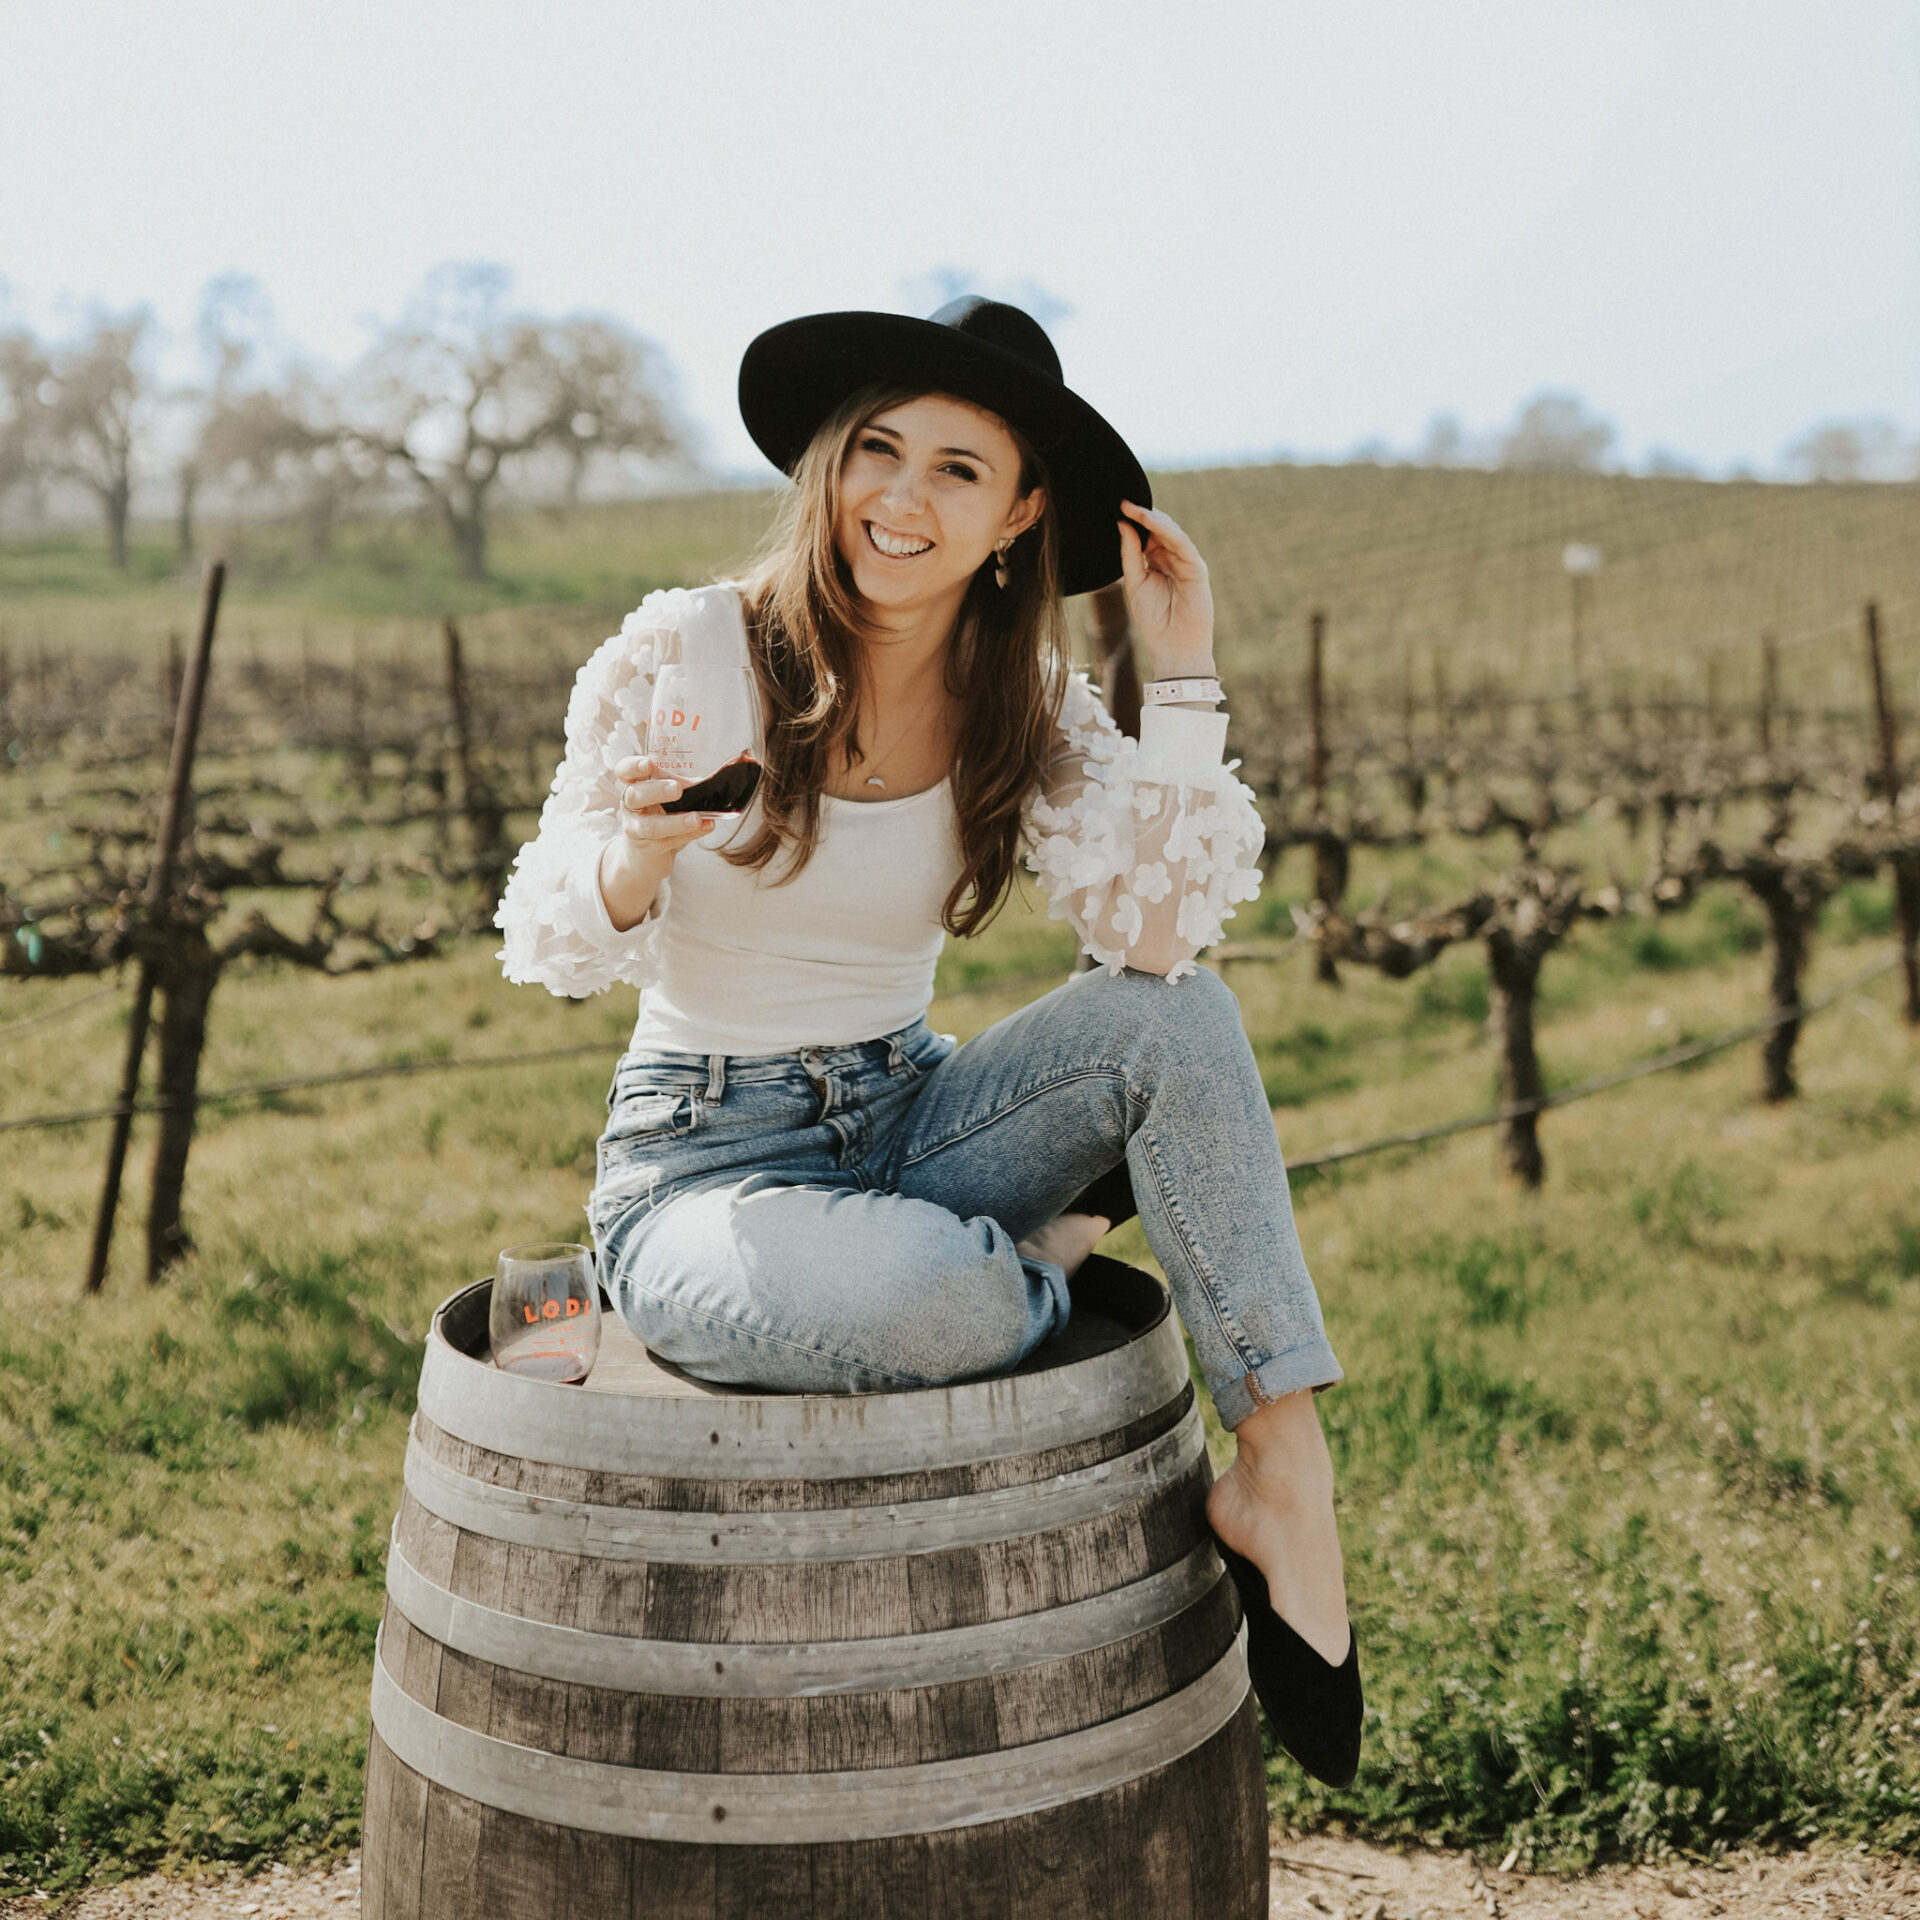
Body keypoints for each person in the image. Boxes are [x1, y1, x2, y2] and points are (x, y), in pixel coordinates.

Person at [496, 296, 1362, 1786]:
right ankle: (1052, 1259)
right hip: (701, 1170)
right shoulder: (694, 648)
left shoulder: (1023, 700)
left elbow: (1155, 946)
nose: (900, 499)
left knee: (1180, 1020)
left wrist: (1187, 669)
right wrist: (637, 855)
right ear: (829, 467)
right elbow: (552, 941)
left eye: (957, 470)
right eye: (878, 452)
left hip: (914, 1112)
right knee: (924, 1302)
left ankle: (1284, 1469)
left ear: (1021, 512)